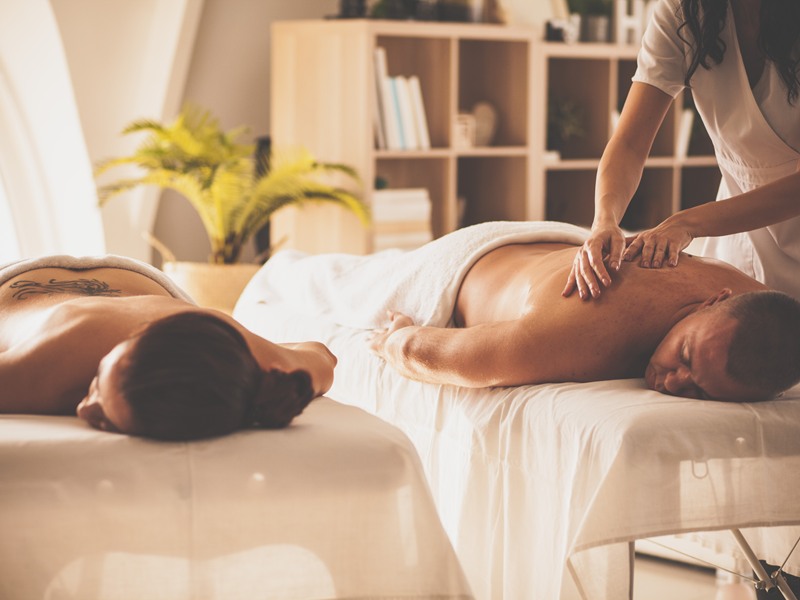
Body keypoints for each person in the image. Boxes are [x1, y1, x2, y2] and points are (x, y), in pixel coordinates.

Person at [562, 0, 800, 302]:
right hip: (738, 242)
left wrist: (687, 223)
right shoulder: (682, 11)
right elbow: (629, 144)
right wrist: (604, 221)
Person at [367, 239, 800, 400]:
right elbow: (427, 353)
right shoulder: (584, 330)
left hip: (562, 241)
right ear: (713, 301)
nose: (672, 380)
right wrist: (397, 336)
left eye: (698, 391)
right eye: (685, 355)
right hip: (465, 262)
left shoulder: (759, 308)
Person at [0, 255, 337, 441]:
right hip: (19, 281)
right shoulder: (39, 369)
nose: (85, 410)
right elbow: (321, 355)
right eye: (97, 381)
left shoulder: (235, 357)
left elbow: (321, 357)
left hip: (146, 285)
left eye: (107, 422)